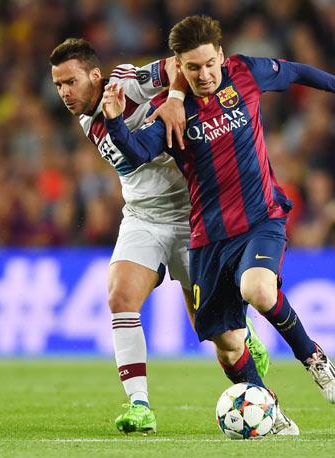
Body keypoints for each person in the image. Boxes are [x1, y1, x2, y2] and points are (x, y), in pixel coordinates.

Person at [102, 15, 335, 433]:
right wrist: (114, 121)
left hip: (261, 218)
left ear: (220, 55)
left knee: (257, 289)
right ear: (178, 69)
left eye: (209, 64)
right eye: (192, 68)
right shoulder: (172, 115)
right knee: (228, 346)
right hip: (206, 238)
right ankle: (271, 414)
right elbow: (133, 156)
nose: (204, 75)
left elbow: (296, 72)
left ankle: (310, 354)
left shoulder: (244, 72)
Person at [49, 38, 270, 435]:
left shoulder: (127, 83)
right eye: (58, 85)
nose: (64, 92)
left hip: (191, 217)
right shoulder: (87, 118)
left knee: (222, 337)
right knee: (120, 296)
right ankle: (139, 405)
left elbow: (176, 64)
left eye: (70, 81)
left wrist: (173, 98)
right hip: (142, 217)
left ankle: (262, 395)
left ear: (94, 75)